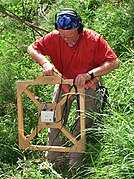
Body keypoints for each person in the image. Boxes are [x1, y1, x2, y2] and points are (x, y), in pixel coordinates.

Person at [27, 8, 120, 169]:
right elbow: (32, 48)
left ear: (80, 28)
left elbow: (114, 62)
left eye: (71, 36)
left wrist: (90, 74)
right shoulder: (54, 38)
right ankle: (52, 160)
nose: (67, 40)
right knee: (54, 118)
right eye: (63, 36)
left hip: (88, 83)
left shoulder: (93, 39)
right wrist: (45, 62)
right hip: (64, 81)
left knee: (83, 122)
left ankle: (75, 162)